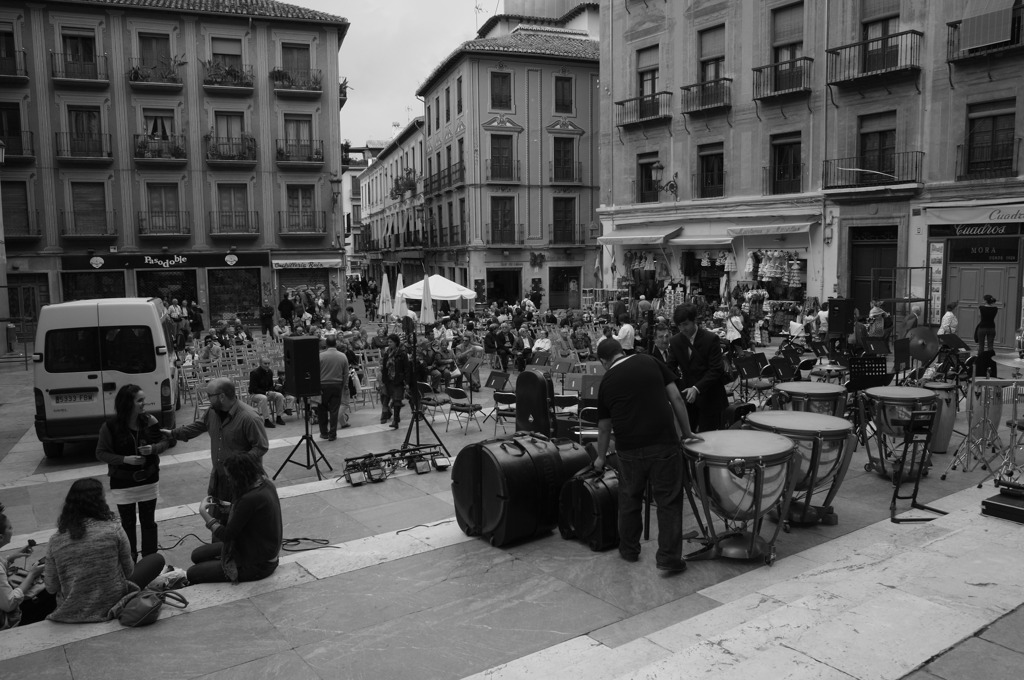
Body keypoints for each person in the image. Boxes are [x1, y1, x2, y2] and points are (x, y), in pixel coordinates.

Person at [593, 339, 698, 573]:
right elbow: (676, 398)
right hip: (663, 443)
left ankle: (629, 549)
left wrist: (600, 458)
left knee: (629, 499)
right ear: (621, 350)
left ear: (603, 360)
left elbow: (604, 426)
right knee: (668, 502)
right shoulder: (650, 360)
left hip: (628, 448)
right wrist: (688, 432)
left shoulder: (606, 381)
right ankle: (669, 559)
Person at [43, 479, 166, 623]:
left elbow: (51, 587)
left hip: (72, 607)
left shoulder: (55, 540)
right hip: (112, 601)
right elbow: (129, 572)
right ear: (100, 502)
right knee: (156, 559)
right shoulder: (113, 529)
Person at [95, 384, 172, 562]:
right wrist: (124, 459)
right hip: (123, 482)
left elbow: (165, 442)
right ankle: (129, 561)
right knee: (127, 524)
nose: (144, 404)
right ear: (128, 403)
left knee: (148, 521)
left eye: (143, 400)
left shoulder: (150, 420)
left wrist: (153, 448)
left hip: (149, 479)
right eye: (140, 400)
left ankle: (150, 561)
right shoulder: (110, 426)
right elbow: (101, 453)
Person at [163, 378, 269, 502]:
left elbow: (261, 446)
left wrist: (239, 463)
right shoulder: (212, 412)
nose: (207, 399)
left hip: (242, 480)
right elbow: (198, 426)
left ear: (222, 396)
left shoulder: (249, 418)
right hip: (219, 477)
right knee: (219, 514)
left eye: (209, 395)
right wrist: (172, 433)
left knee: (239, 517)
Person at [188, 454, 282, 585]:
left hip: (259, 564)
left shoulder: (250, 499)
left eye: (230, 477)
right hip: (256, 548)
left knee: (192, 573)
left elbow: (226, 535)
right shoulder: (265, 484)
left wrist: (204, 513)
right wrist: (230, 508)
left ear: (240, 476)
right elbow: (249, 514)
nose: (229, 481)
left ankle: (232, 565)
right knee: (196, 555)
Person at [667, 303, 729, 433]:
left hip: (711, 397)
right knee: (688, 438)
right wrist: (679, 388)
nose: (682, 329)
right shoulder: (675, 341)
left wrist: (696, 388)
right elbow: (669, 368)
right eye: (679, 325)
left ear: (694, 320)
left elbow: (716, 370)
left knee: (709, 440)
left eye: (685, 324)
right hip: (688, 400)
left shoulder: (711, 339)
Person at [1, 503, 53, 628]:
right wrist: (32, 575)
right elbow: (9, 604)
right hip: (9, 619)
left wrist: (12, 557)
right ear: (0, 537)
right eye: (10, 528)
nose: (12, 531)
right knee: (51, 592)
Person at [317, 335, 350, 440]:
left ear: (326, 344)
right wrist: (343, 385)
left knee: (322, 410)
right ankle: (332, 434)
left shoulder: (320, 356)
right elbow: (346, 373)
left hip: (322, 385)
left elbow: (316, 372)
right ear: (336, 344)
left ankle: (324, 433)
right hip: (337, 385)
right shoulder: (343, 356)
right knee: (334, 410)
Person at [380, 333, 411, 428]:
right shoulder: (386, 353)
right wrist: (383, 379)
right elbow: (384, 367)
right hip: (388, 379)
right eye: (388, 342)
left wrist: (407, 382)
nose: (389, 344)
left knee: (397, 399)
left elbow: (406, 368)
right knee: (385, 397)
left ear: (396, 342)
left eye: (391, 342)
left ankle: (395, 420)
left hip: (398, 379)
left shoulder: (402, 353)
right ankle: (390, 415)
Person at [249, 357, 286, 428]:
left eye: (268, 363)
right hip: (255, 394)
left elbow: (270, 385)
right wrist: (266, 393)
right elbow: (254, 389)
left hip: (267, 393)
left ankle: (279, 417)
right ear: (260, 363)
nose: (267, 365)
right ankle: (266, 420)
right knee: (263, 398)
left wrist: (273, 389)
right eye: (265, 363)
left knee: (280, 395)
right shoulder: (254, 373)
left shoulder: (270, 372)